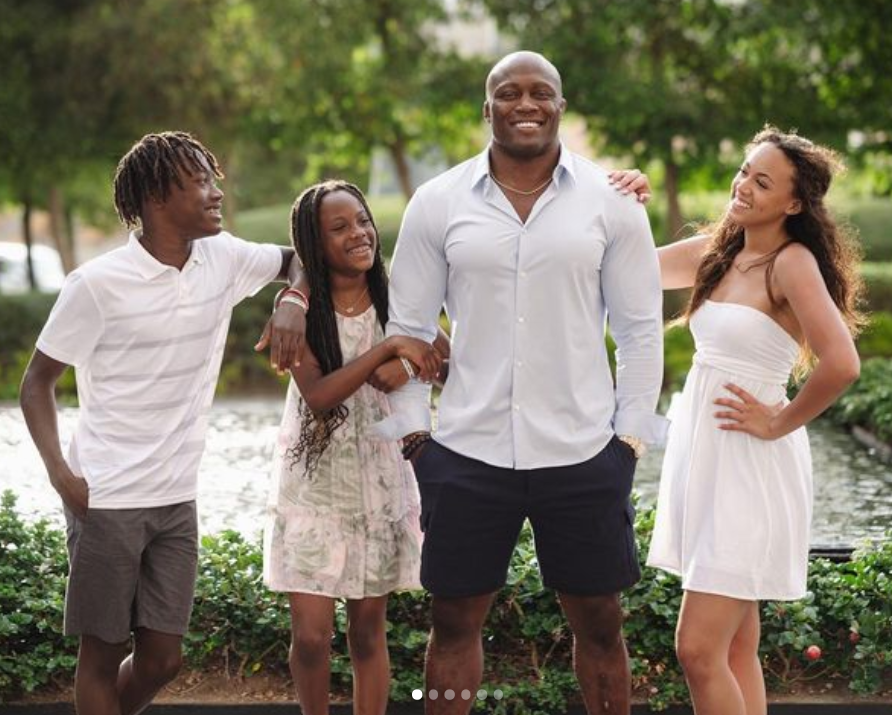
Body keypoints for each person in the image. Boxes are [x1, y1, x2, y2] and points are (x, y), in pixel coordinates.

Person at [381, 51, 666, 715]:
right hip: (466, 450)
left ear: (561, 105)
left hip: (583, 450)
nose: (526, 104)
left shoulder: (611, 204)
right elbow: (406, 330)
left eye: (542, 92)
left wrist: (628, 439)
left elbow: (640, 331)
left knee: (600, 620)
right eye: (509, 93)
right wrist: (416, 436)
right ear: (488, 108)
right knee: (452, 621)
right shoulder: (437, 201)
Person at [19, 131, 308, 715]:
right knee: (101, 655)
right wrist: (59, 475)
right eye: (198, 180)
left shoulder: (222, 257)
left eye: (212, 177)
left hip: (177, 495)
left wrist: (292, 301)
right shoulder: (96, 286)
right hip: (106, 493)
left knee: (164, 659)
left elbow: (300, 260)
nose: (215, 190)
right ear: (155, 197)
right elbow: (36, 385)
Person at [642, 127, 863, 715]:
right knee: (737, 648)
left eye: (762, 182)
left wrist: (778, 421)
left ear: (793, 203)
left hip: (750, 468)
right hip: (707, 460)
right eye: (745, 171)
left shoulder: (790, 263)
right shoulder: (722, 250)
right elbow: (626, 266)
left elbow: (842, 364)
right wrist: (620, 198)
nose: (743, 186)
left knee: (696, 649)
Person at [262, 180, 446, 715]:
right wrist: (387, 348)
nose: (359, 234)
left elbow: (450, 362)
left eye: (362, 221)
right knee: (313, 637)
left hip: (380, 480)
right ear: (315, 246)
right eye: (339, 228)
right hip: (313, 485)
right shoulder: (296, 312)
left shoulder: (400, 299)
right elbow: (319, 397)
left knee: (368, 634)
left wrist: (411, 362)